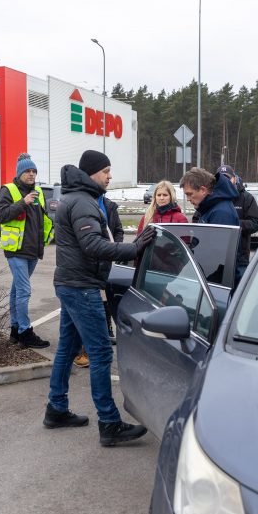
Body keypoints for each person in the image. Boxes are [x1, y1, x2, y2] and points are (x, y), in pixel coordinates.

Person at [44, 149, 155, 447]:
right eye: (106, 171)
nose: (109, 176)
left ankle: (56, 408)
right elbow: (93, 244)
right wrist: (134, 250)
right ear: (92, 173)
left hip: (72, 283)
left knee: (67, 348)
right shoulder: (82, 201)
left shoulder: (78, 198)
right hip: (80, 287)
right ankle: (109, 423)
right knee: (101, 352)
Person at [0, 153, 53, 349]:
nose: (31, 174)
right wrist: (23, 202)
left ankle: (15, 328)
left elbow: (41, 218)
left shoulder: (38, 191)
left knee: (17, 290)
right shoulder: (9, 190)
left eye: (34, 171)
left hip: (33, 250)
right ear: (20, 173)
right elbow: (1, 216)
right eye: (28, 171)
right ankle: (25, 332)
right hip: (16, 249)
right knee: (24, 291)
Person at [74, 192, 124, 367]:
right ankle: (87, 349)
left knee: (105, 296)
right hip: (89, 266)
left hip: (106, 260)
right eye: (105, 173)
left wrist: (114, 249)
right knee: (89, 309)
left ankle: (105, 331)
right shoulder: (82, 205)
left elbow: (117, 230)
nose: (109, 178)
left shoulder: (109, 206)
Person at [216, 165, 258, 280]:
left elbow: (256, 222)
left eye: (228, 178)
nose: (225, 181)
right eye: (221, 178)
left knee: (241, 292)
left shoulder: (246, 198)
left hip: (240, 258)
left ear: (234, 179)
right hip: (216, 256)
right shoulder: (212, 197)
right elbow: (198, 218)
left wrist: (234, 224)